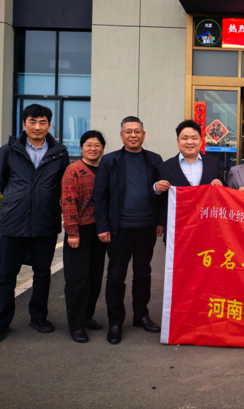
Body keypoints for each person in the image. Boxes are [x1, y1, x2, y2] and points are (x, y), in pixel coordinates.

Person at [0, 104, 70, 343]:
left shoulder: (59, 153)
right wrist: (20, 199)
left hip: (46, 222)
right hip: (14, 223)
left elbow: (61, 185)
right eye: (32, 121)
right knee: (6, 276)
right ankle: (1, 322)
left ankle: (38, 317)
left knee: (42, 273)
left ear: (49, 125)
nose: (37, 126)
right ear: (24, 124)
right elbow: (2, 182)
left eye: (42, 122)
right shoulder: (8, 151)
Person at [93, 116, 164, 345]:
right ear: (121, 135)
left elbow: (160, 194)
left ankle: (141, 316)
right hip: (118, 230)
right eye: (128, 131)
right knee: (116, 276)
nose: (133, 135)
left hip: (146, 228)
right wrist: (103, 226)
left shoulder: (154, 160)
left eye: (137, 131)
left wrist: (160, 221)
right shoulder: (109, 161)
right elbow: (100, 196)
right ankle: (115, 322)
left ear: (144, 135)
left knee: (143, 274)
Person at [60, 131, 108, 344]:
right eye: (89, 145)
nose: (93, 149)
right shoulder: (73, 170)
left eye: (97, 145)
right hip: (79, 232)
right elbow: (68, 201)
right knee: (77, 281)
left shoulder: (105, 169)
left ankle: (87, 316)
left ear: (103, 148)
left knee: (95, 278)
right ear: (81, 148)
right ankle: (76, 325)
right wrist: (72, 231)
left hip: (100, 230)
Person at [153, 120, 224, 233]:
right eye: (185, 138)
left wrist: (220, 184)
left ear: (201, 141)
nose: (190, 142)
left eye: (194, 138)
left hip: (207, 226)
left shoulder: (213, 163)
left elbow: (223, 189)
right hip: (178, 228)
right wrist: (156, 189)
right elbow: (162, 200)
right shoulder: (165, 167)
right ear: (178, 141)